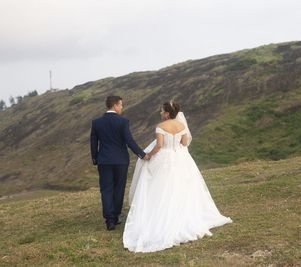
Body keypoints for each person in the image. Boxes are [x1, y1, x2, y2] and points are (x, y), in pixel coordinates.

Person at [123, 101, 232, 252]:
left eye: (162, 111)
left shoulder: (161, 127)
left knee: (161, 187)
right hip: (180, 158)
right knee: (181, 187)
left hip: (165, 159)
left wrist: (149, 155)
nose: (160, 113)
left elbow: (159, 145)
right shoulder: (182, 126)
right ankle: (184, 216)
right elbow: (185, 143)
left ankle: (160, 217)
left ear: (167, 113)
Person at [90, 95, 150, 230]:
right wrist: (141, 154)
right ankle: (116, 216)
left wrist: (95, 158)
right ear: (115, 105)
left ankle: (109, 220)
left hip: (104, 161)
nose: (122, 107)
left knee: (106, 189)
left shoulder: (96, 122)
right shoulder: (123, 121)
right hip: (121, 161)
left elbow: (94, 143)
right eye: (121, 105)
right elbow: (129, 141)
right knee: (119, 188)